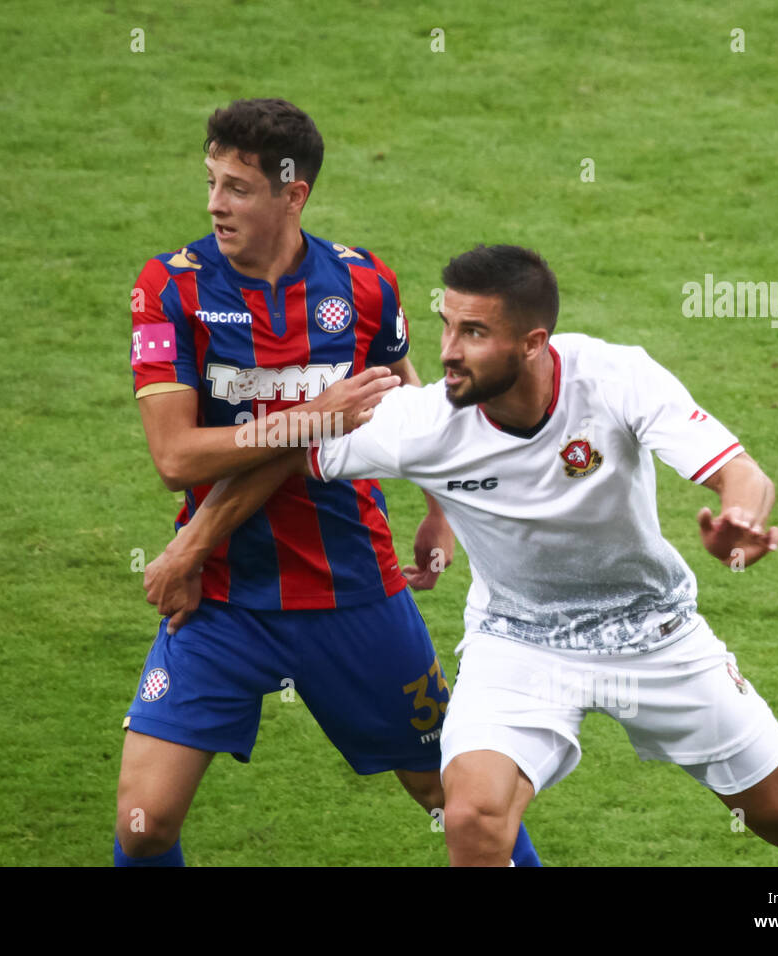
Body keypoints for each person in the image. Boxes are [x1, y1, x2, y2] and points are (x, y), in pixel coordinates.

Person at [146, 243, 778, 867]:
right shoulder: (423, 420)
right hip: (519, 641)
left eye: (474, 333)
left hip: (653, 633)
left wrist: (739, 517)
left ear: (534, 344)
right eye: (446, 326)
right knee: (472, 817)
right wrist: (192, 544)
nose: (446, 353)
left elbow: (741, 472)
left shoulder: (614, 377)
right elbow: (288, 454)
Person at [119, 100, 541, 866]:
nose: (215, 204)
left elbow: (422, 406)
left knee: (455, 798)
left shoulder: (363, 283)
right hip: (219, 596)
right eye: (211, 182)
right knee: (144, 822)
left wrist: (437, 512)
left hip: (355, 590)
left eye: (238, 188)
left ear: (293, 194)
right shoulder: (171, 289)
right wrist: (315, 414)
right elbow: (176, 458)